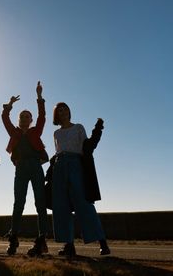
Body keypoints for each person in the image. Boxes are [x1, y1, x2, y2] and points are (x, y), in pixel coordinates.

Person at [51, 102, 110, 256]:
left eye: (65, 109)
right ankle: (69, 245)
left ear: (69, 112)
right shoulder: (56, 134)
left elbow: (87, 147)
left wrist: (98, 129)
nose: (63, 112)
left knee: (84, 202)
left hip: (75, 163)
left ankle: (102, 241)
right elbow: (57, 152)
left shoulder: (78, 127)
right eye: (60, 110)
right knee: (61, 205)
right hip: (59, 166)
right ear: (56, 115)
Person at [2, 81, 50, 256]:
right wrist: (10, 105)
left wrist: (39, 97)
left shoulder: (35, 131)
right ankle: (13, 239)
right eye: (22, 116)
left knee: (40, 204)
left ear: (30, 121)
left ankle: (42, 239)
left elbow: (42, 117)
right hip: (21, 168)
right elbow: (5, 119)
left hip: (36, 167)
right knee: (18, 204)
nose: (24, 118)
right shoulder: (13, 133)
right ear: (19, 120)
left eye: (27, 116)